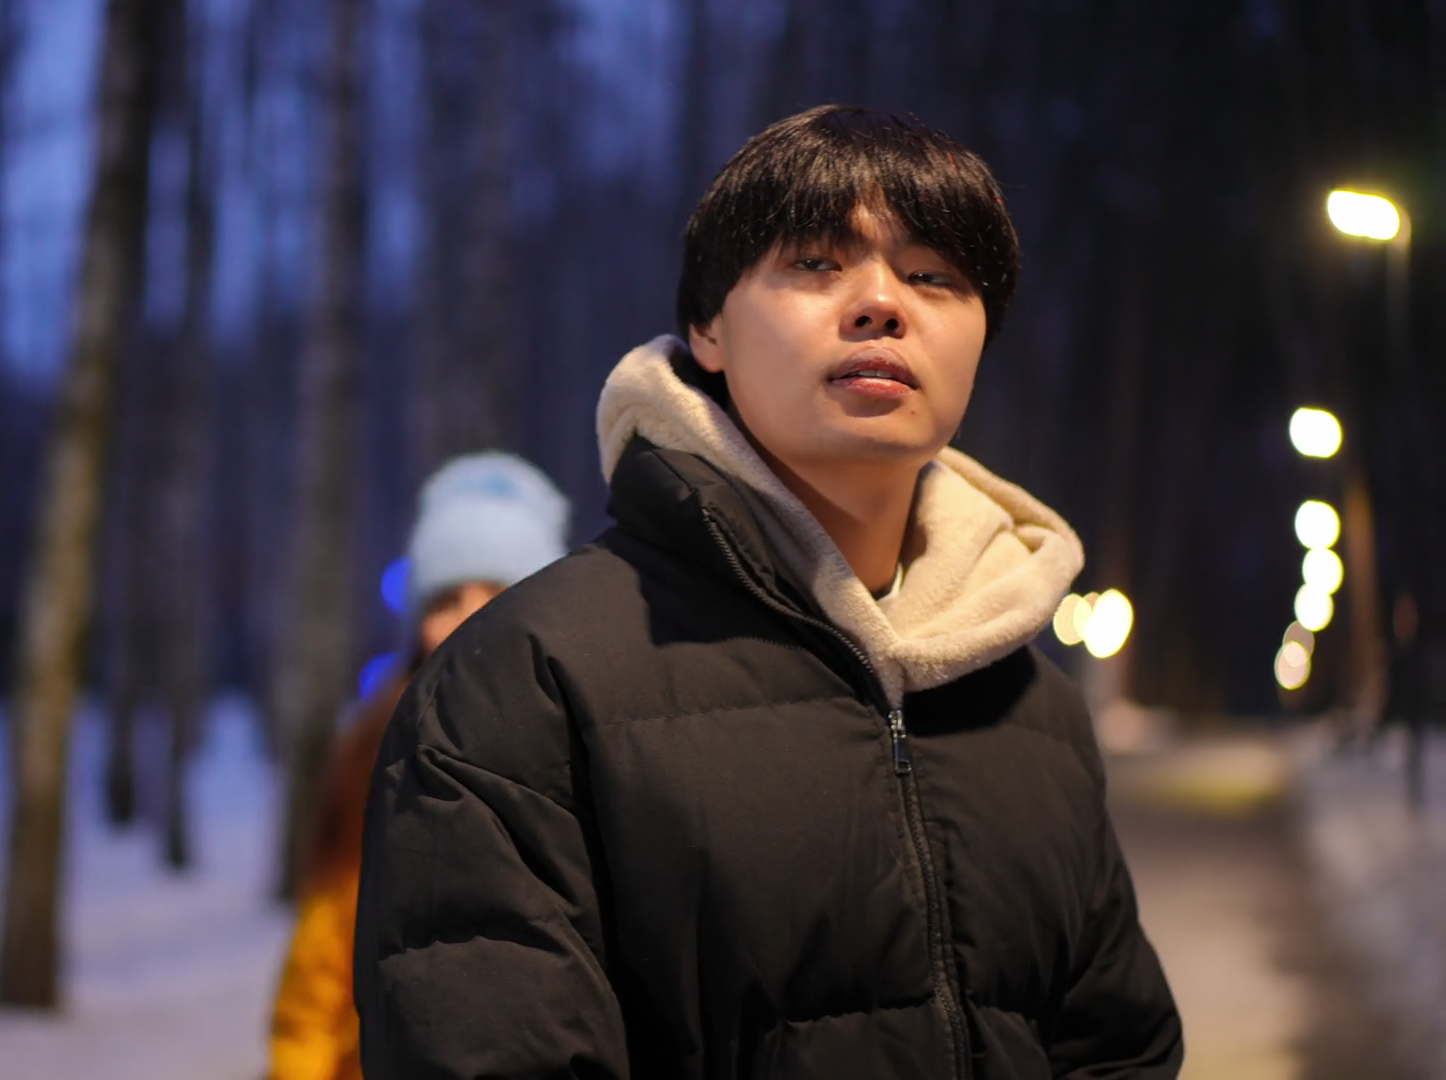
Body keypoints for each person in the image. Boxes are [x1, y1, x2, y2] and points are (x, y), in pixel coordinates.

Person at [353, 106, 1183, 1077]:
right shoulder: (520, 685)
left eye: (933, 276)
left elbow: (1118, 1048)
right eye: (817, 264)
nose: (881, 304)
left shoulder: (1032, 705)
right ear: (707, 328)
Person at [268, 451, 572, 1080]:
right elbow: (320, 967)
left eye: (498, 591)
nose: (469, 617)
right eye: (446, 598)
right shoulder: (376, 749)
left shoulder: (591, 747)